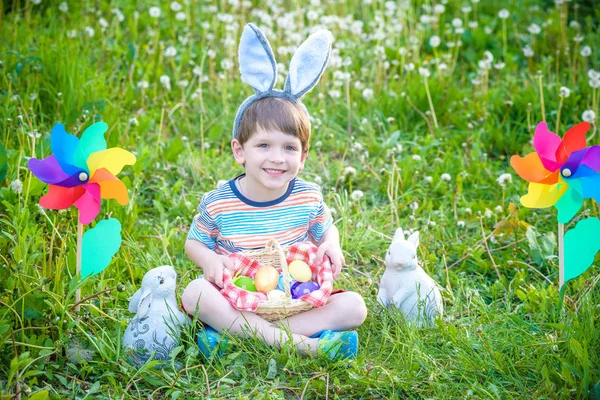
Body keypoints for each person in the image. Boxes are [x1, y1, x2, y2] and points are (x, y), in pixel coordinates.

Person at [181, 23, 367, 361]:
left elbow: (327, 230)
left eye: (289, 148)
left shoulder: (308, 197)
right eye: (263, 145)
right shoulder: (219, 202)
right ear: (240, 151)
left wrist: (332, 244)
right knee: (195, 293)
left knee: (355, 307)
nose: (277, 158)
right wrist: (209, 259)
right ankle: (304, 345)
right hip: (239, 297)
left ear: (304, 155)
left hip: (297, 299)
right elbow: (193, 242)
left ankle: (237, 338)